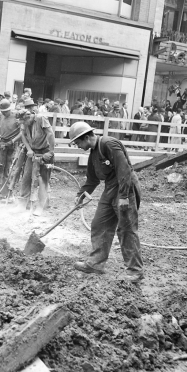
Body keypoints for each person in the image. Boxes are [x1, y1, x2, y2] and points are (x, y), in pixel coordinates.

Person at [69, 121, 143, 283]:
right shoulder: (93, 154)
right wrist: (81, 194)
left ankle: (135, 271)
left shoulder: (109, 144)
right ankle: (96, 263)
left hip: (126, 187)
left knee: (126, 228)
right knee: (99, 223)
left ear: (87, 138)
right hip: (110, 189)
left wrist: (124, 196)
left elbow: (124, 169)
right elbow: (92, 179)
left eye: (77, 142)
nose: (77, 146)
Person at [15, 108, 55, 216]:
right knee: (26, 176)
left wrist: (51, 152)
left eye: (24, 123)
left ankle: (40, 206)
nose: (24, 125)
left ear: (28, 117)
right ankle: (22, 204)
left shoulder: (41, 119)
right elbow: (23, 135)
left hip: (45, 151)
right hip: (33, 151)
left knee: (42, 180)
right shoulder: (24, 122)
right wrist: (28, 149)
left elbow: (50, 134)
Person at [0, 100, 22, 198]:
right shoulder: (1, 116)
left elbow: (22, 132)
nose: (3, 113)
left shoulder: (16, 116)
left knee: (8, 169)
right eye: (2, 111)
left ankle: (8, 194)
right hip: (2, 143)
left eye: (5, 111)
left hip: (12, 145)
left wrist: (12, 141)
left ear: (10, 109)